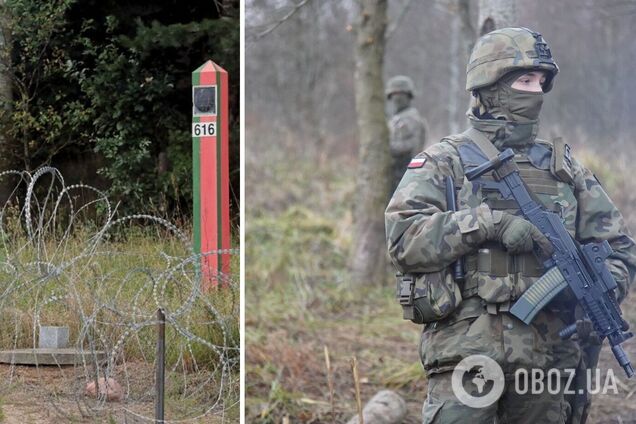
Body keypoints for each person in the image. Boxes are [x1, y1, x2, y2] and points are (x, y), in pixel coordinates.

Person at [385, 27, 636, 424]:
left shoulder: (566, 169)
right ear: (491, 85)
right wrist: (488, 223)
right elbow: (403, 238)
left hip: (548, 362)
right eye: (524, 81)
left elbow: (620, 249)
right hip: (466, 353)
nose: (535, 92)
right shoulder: (444, 161)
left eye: (540, 82)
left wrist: (598, 286)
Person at [386, 75, 428, 194]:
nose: (397, 98)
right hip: (395, 175)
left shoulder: (412, 119)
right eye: (394, 95)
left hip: (405, 175)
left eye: (401, 94)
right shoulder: (396, 119)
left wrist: (386, 149)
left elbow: (411, 146)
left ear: (408, 96)